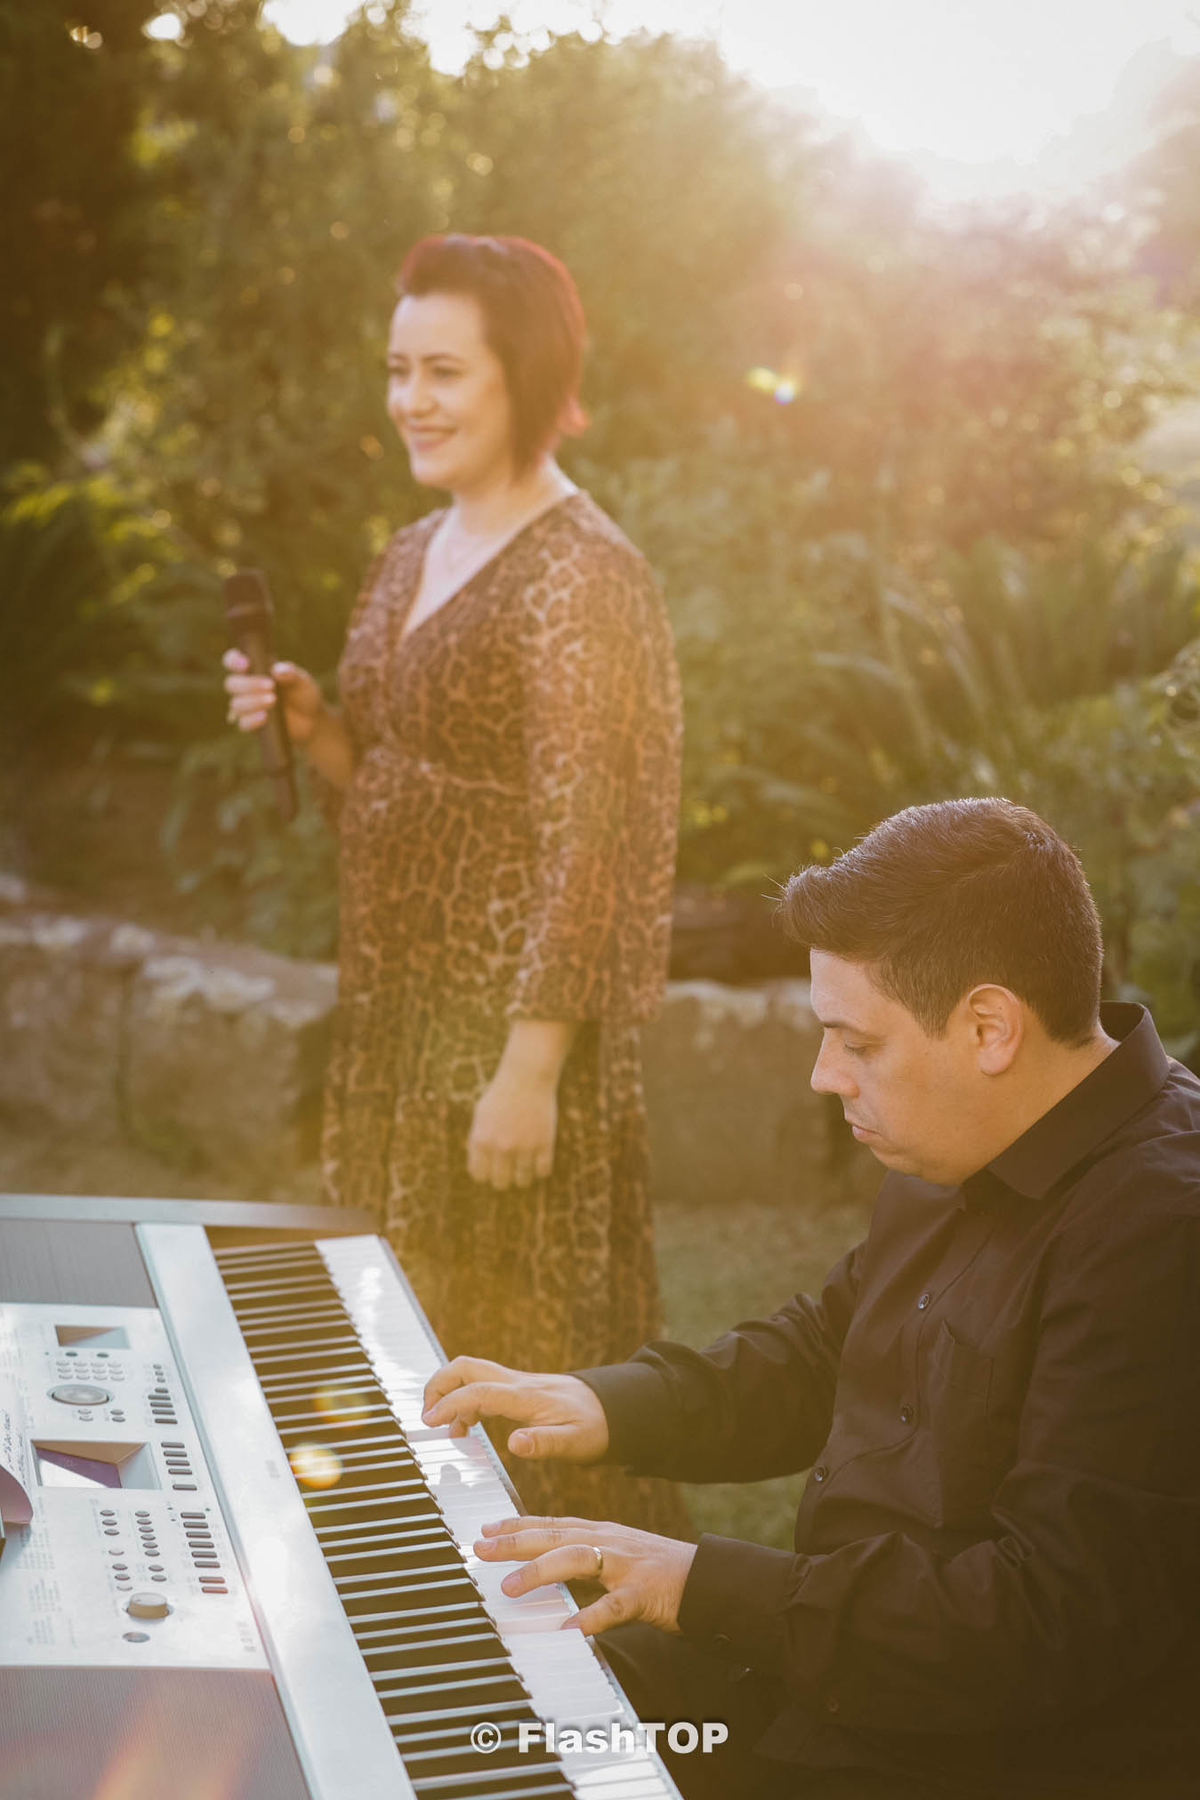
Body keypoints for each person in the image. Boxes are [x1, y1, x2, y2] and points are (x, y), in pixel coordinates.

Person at [422, 798, 1200, 1800]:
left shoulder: (1160, 1232)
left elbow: (1047, 1618)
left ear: (989, 1027)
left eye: (858, 1044)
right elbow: (830, 1347)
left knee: (501, 1763)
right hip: (830, 1688)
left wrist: (703, 1584)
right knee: (481, 1701)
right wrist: (606, 1404)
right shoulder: (961, 1136)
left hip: (968, 1757)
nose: (824, 1076)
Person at [224, 233, 687, 1534]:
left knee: (516, 1343)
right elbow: (392, 772)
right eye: (397, 369)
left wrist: (531, 1065)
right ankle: (407, 1591)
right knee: (400, 1326)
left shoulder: (586, 576)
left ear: (524, 376)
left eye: (444, 371)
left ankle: (568, 1658)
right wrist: (312, 720)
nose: (411, 399)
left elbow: (597, 835)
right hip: (398, 1018)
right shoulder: (417, 544)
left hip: (502, 1039)